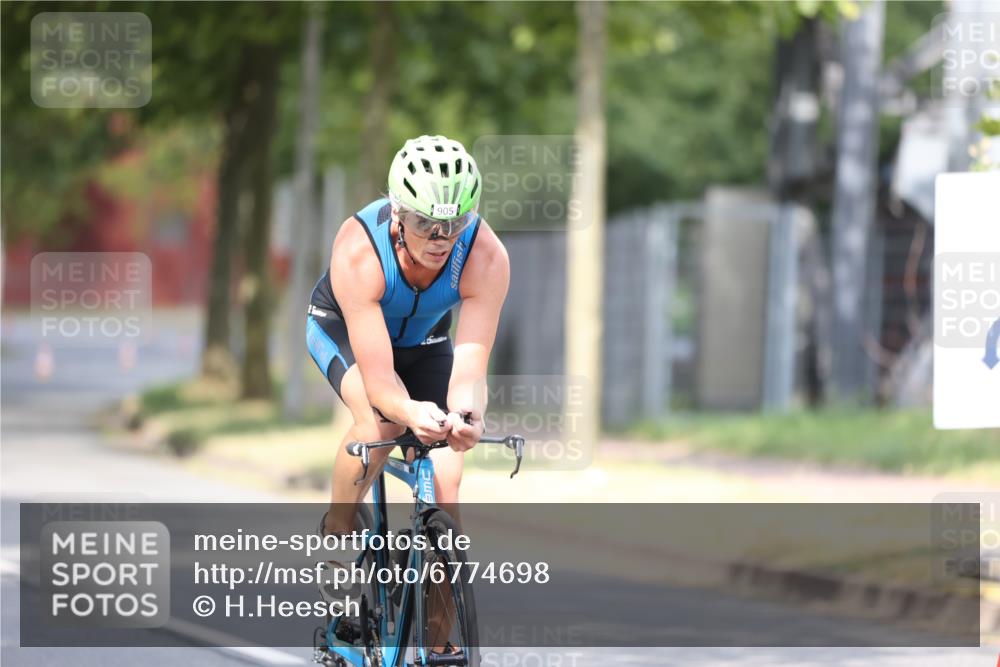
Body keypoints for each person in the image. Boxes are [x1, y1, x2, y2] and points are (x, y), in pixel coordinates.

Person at [305, 135, 509, 646]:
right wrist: (412, 411)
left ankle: (439, 645)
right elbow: (380, 381)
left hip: (425, 342)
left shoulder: (486, 256)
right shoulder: (359, 249)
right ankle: (337, 537)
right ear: (398, 212)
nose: (440, 238)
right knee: (384, 422)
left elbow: (469, 365)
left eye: (453, 224)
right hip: (345, 332)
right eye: (425, 223)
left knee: (448, 472)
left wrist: (465, 416)